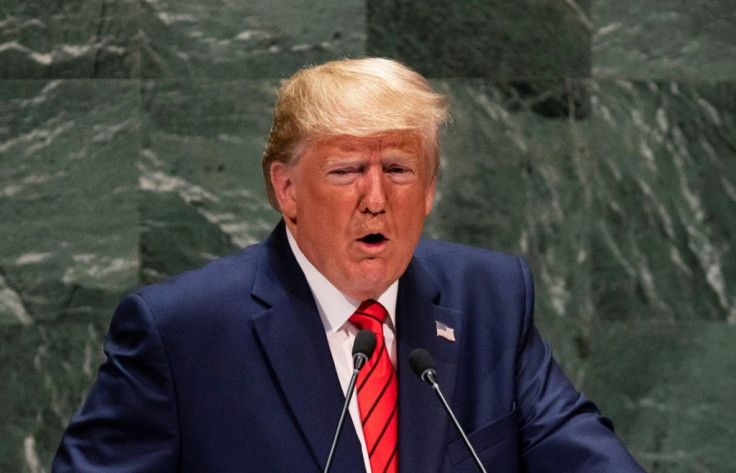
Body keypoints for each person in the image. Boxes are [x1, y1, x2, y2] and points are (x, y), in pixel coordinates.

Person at [52, 58, 645, 472]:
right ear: (285, 189)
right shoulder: (182, 332)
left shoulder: (492, 298)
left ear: (431, 188)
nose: (376, 198)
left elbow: (584, 454)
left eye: (398, 168)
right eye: (346, 171)